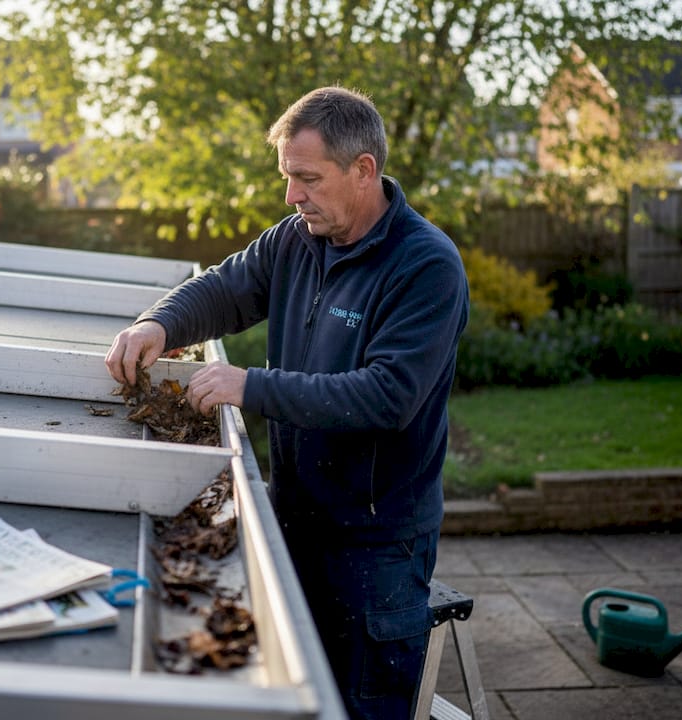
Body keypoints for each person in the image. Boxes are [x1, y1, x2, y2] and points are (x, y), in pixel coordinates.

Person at [105, 86, 469, 720]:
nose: (291, 195)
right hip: (294, 517)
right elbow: (223, 289)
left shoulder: (426, 266)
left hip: (377, 547)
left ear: (363, 170)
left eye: (307, 178)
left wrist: (255, 386)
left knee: (360, 707)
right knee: (293, 695)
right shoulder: (298, 239)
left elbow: (389, 396)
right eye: (287, 177)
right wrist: (159, 324)